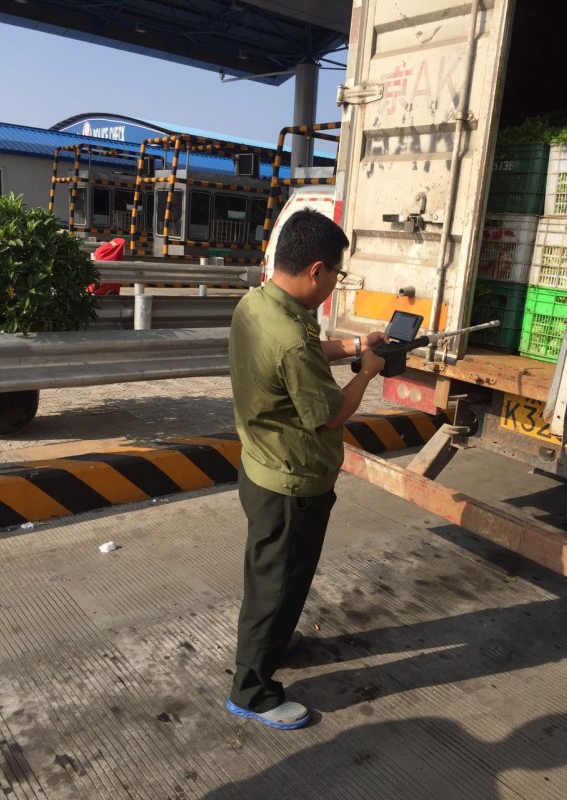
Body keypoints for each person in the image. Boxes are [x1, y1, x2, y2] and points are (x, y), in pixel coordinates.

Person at [226, 208, 386, 730]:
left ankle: (273, 642)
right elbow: (331, 413)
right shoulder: (292, 336)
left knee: (272, 578)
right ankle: (251, 691)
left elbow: (303, 353)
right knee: (277, 586)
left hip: (261, 466)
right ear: (317, 270)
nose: (336, 283)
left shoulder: (258, 304)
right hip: (291, 485)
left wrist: (354, 346)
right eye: (337, 274)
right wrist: (367, 373)